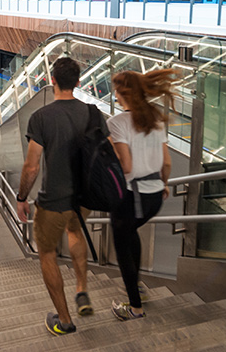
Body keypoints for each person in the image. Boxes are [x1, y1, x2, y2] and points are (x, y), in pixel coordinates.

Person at [17, 57, 109, 336]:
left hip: (53, 201)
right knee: (76, 233)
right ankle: (82, 290)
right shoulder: (94, 114)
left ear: (52, 80)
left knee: (46, 252)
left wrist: (22, 198)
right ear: (78, 82)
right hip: (83, 199)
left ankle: (65, 320)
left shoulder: (42, 118)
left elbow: (32, 166)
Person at [107, 70, 174, 321]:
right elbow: (166, 163)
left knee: (123, 247)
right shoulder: (155, 118)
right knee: (131, 234)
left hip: (129, 198)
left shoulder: (117, 123)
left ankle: (135, 308)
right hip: (154, 197)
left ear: (121, 93)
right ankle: (137, 287)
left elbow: (125, 166)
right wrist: (163, 184)